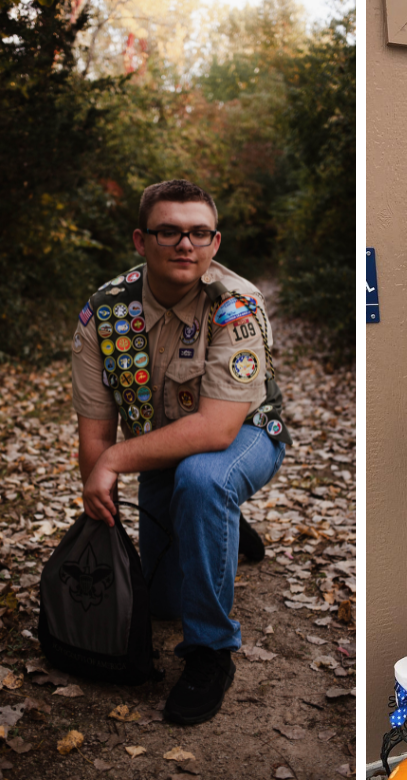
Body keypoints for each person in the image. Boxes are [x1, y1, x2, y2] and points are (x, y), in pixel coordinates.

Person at [70, 179, 290, 725]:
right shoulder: (105, 314)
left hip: (247, 434)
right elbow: (96, 431)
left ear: (216, 243)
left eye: (198, 233)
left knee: (204, 479)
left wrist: (115, 462)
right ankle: (222, 526)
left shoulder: (234, 305)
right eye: (169, 232)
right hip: (163, 447)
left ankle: (211, 652)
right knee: (164, 602)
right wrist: (100, 504)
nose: (185, 245)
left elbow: (216, 431)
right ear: (141, 241)